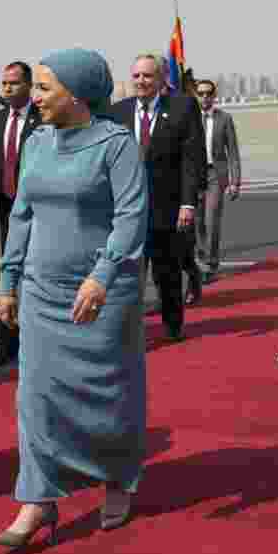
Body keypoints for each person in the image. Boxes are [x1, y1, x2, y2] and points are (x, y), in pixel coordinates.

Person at [0, 48, 148, 547]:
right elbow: (22, 216)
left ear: (77, 95)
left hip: (102, 295)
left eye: (43, 88)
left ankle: (119, 479)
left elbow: (130, 216)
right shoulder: (36, 143)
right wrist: (7, 281)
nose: (33, 97)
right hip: (42, 292)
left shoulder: (116, 144)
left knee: (110, 396)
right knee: (34, 398)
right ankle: (37, 502)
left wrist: (101, 277)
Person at [108, 54, 204, 341]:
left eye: (147, 76)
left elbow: (192, 158)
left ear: (162, 80)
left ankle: (173, 324)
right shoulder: (118, 113)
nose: (141, 81)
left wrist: (188, 202)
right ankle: (131, 327)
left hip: (167, 205)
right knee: (128, 274)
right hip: (127, 209)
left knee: (167, 272)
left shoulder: (182, 107)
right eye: (136, 76)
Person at [0, 61, 41, 367]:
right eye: (4, 83)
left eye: (14, 83)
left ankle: (35, 339)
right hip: (1, 210)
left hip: (35, 211)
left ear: (28, 85)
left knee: (33, 276)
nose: (7, 89)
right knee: (2, 276)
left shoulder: (43, 118)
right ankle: (4, 344)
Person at [193, 79, 241, 283]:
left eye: (208, 93)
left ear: (214, 96)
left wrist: (235, 181)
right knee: (197, 221)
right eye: (201, 93)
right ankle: (201, 260)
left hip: (216, 175)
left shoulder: (224, 119)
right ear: (196, 95)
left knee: (212, 219)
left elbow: (233, 152)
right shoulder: (190, 118)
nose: (205, 97)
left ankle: (211, 264)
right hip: (195, 175)